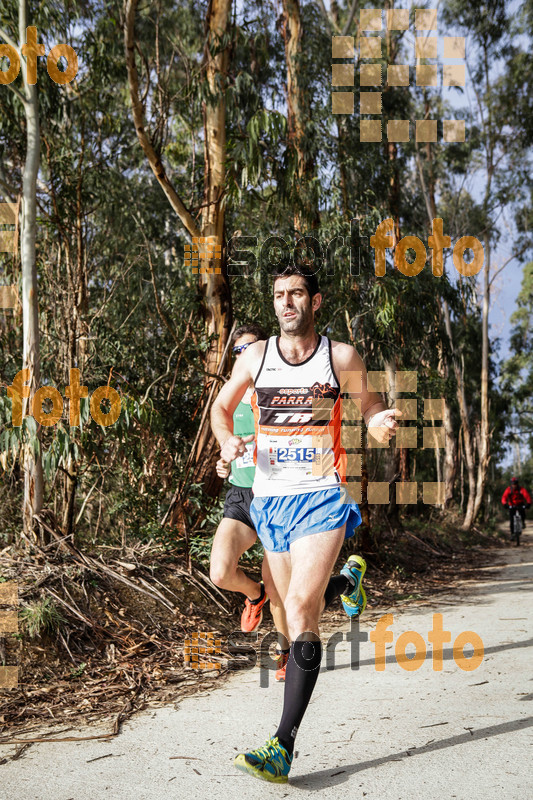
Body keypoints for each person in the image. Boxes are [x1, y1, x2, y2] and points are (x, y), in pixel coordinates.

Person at [211, 265, 400, 783]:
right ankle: (347, 581)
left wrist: (379, 422)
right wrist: (227, 442)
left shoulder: (339, 357)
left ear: (315, 302)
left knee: (298, 609)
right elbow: (222, 409)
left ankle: (282, 744)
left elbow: (370, 404)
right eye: (278, 295)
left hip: (320, 496)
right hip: (269, 503)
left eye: (296, 294)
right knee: (292, 607)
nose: (286, 302)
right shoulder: (256, 356)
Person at [209, 324, 290, 680]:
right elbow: (224, 445)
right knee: (220, 572)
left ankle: (285, 651)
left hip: (277, 496)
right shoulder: (230, 401)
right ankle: (252, 594)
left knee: (279, 589)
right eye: (239, 351)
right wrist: (224, 460)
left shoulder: (279, 393)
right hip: (242, 496)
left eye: (252, 348)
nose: (245, 355)